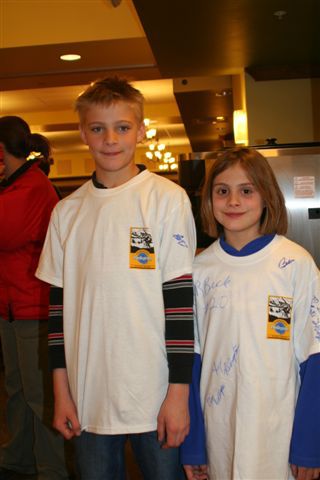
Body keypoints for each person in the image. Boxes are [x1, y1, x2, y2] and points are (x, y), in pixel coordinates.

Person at [35, 76, 197, 480]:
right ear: (83, 133)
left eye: (122, 127)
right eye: (98, 128)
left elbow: (179, 301)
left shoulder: (166, 199)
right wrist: (62, 392)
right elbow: (58, 315)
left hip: (156, 393)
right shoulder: (66, 213)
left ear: (141, 131)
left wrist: (179, 393)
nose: (111, 139)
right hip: (89, 397)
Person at [181, 147, 320, 480]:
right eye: (222, 191)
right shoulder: (200, 271)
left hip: (279, 434)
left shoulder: (295, 265)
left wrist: (309, 444)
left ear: (266, 195)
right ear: (209, 199)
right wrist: (194, 445)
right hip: (219, 435)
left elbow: (314, 357)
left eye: (246, 190)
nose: (233, 201)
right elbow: (192, 362)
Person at [0, 116, 70, 479]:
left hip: (33, 305)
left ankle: (51, 467)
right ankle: (19, 456)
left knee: (38, 393)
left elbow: (6, 235)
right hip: (11, 305)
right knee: (17, 388)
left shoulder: (31, 186)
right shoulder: (12, 185)